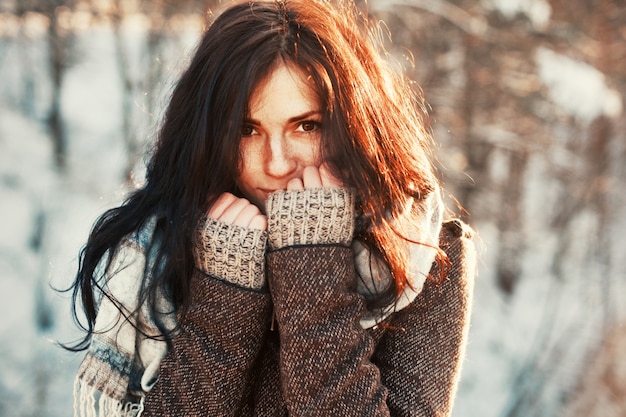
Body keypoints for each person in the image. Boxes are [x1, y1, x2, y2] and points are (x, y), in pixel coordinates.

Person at [70, 0, 476, 416]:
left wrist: (312, 268)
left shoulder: (422, 251)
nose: (277, 163)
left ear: (352, 125)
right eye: (247, 130)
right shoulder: (161, 244)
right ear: (209, 137)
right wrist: (224, 296)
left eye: (306, 126)